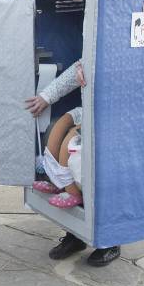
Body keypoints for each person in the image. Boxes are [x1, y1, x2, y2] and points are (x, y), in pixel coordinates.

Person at [25, 62, 121, 266]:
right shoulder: (94, 46)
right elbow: (78, 67)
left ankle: (109, 241)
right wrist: (46, 96)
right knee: (58, 132)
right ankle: (75, 234)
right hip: (90, 111)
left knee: (98, 176)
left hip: (114, 119)